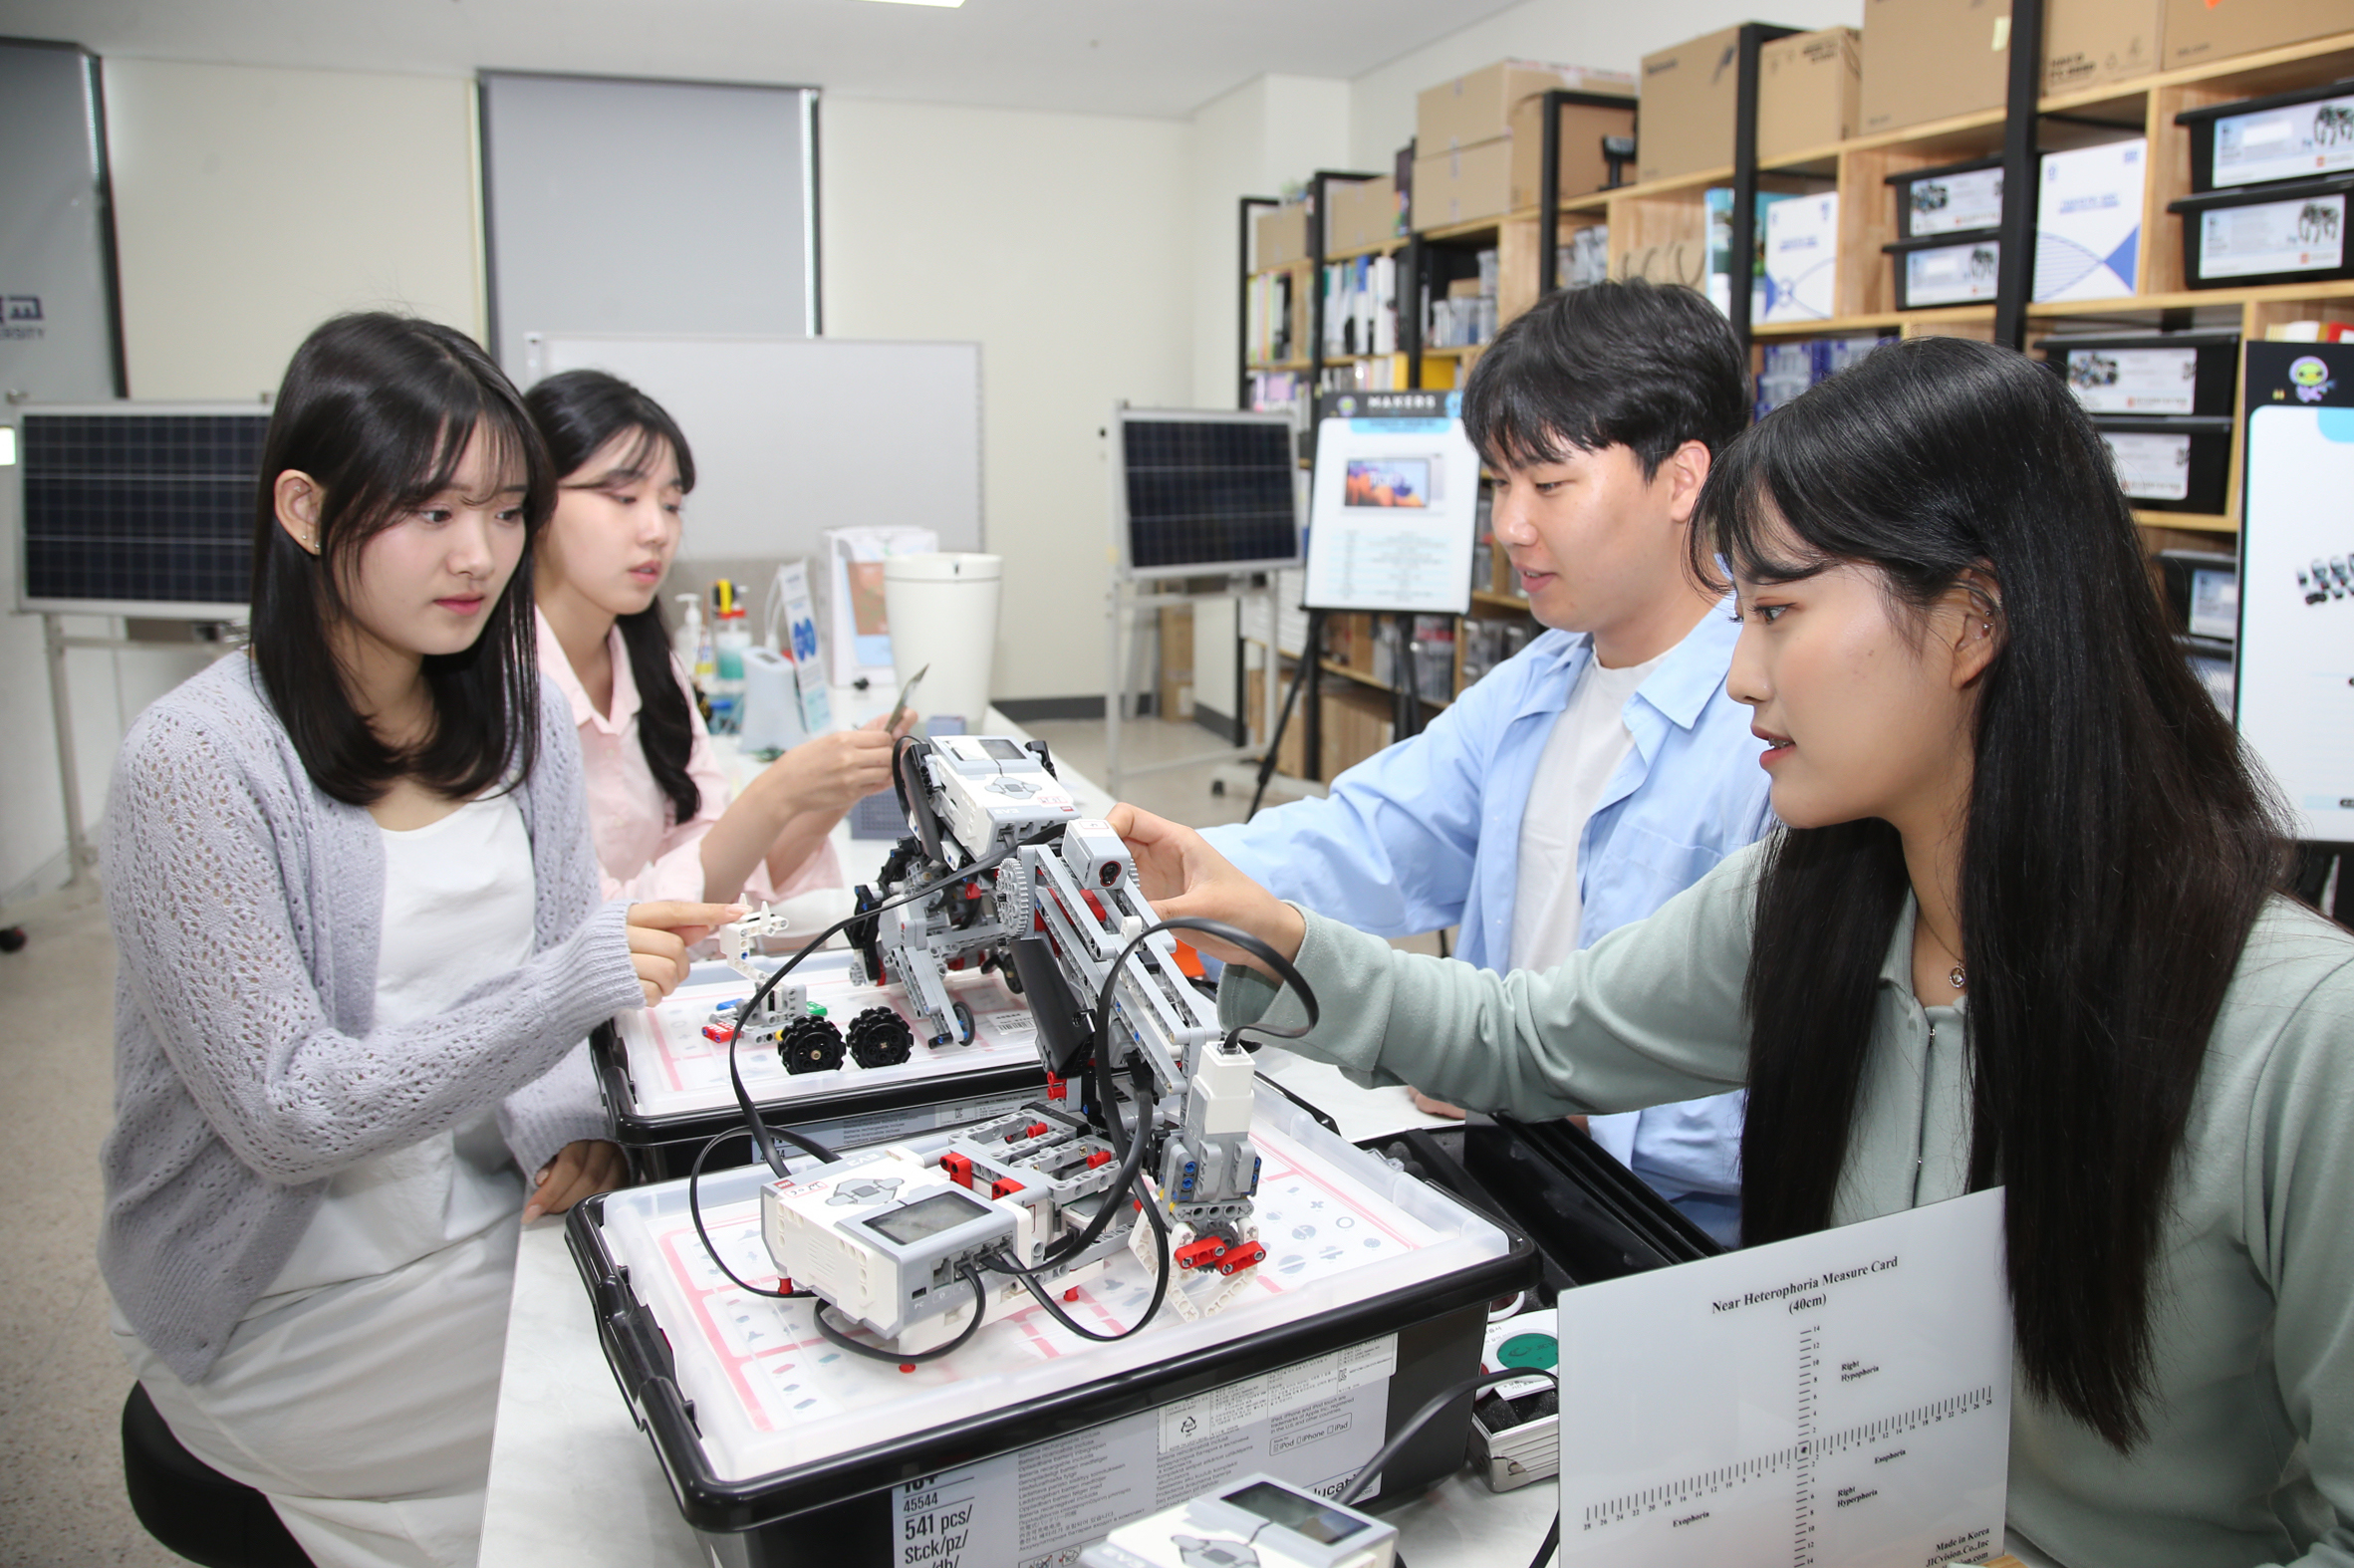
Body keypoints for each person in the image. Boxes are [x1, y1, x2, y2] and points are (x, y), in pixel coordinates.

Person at [1113, 336, 2354, 1566]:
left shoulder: (2298, 1037)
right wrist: (1265, 934)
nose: (1741, 674)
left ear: (1972, 619)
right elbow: (1528, 1036)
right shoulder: (1812, 903)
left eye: (1776, 612)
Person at [99, 315, 734, 1568]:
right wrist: (576, 981)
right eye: (432, 513)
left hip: (497, 1211)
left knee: (716, 1351)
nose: (480, 555)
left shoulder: (515, 717)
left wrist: (577, 1129)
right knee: (637, 1447)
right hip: (293, 1292)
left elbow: (549, 980)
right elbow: (288, 1110)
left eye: (504, 512)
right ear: (302, 507)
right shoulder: (198, 761)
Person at [1202, 279, 1770, 1245]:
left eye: (1546, 485)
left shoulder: (1771, 725)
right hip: (1507, 1167)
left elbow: (1791, 1047)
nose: (1508, 525)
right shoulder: (1537, 681)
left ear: (1681, 479)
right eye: (1499, 484)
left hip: (1674, 1233)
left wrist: (1515, 1070)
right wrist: (1145, 867)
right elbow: (1368, 837)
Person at [524, 369, 900, 905]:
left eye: (672, 505)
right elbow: (592, 930)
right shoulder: (500, 691)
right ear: (533, 500)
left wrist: (825, 795)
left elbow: (720, 883)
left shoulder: (647, 661)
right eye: (623, 497)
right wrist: (777, 792)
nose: (658, 530)